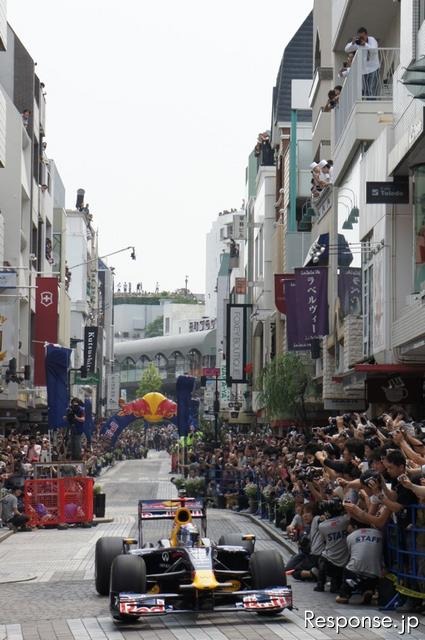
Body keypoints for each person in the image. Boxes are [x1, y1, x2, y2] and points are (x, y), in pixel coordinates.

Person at [345, 28, 380, 97]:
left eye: (363, 36)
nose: (361, 38)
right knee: (366, 90)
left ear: (366, 35)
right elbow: (346, 49)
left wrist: (365, 44)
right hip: (364, 70)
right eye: (360, 36)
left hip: (373, 68)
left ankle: (371, 104)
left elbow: (374, 51)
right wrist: (352, 43)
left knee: (371, 89)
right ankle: (368, 104)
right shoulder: (358, 42)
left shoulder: (372, 40)